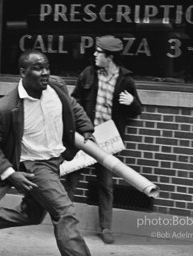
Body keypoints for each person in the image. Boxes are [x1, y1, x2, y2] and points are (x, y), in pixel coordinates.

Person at [0, 49, 95, 256]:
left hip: (56, 161)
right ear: (23, 72)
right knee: (65, 212)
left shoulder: (56, 87)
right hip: (34, 166)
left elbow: (72, 107)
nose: (45, 72)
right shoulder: (4, 108)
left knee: (32, 214)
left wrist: (87, 128)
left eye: (46, 67)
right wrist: (10, 174)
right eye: (38, 68)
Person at [64, 35, 143, 244]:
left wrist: (132, 102)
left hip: (108, 139)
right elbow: (75, 101)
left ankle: (106, 228)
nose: (95, 55)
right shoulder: (88, 74)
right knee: (71, 180)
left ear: (110, 57)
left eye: (99, 52)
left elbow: (137, 111)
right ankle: (64, 223)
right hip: (86, 136)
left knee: (105, 185)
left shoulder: (125, 80)